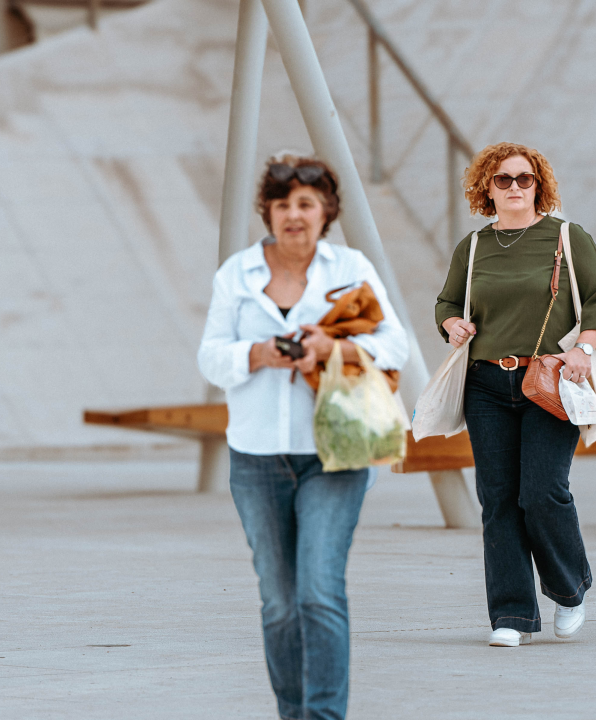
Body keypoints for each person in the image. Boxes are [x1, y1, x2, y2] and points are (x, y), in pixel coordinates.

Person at [198, 155, 408, 719]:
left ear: (327, 212)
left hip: (335, 453)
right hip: (257, 458)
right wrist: (259, 353)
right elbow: (210, 357)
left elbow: (396, 346)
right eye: (283, 203)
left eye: (306, 203)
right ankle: (292, 713)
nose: (294, 214)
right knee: (280, 603)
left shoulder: (350, 267)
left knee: (318, 591)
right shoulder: (237, 274)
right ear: (267, 211)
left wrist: (333, 347)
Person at [435, 142, 596, 647]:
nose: (515, 188)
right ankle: (511, 616)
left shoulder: (566, 237)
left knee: (541, 492)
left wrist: (584, 347)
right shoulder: (473, 248)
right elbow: (448, 301)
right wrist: (452, 323)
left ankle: (568, 587)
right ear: (486, 188)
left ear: (539, 186)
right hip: (487, 384)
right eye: (503, 180)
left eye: (525, 179)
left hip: (551, 380)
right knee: (498, 500)